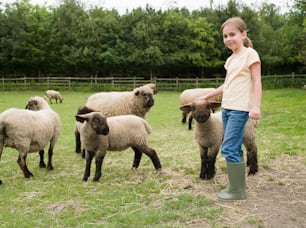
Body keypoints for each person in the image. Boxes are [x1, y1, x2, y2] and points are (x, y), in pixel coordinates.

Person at [196, 17, 262, 200]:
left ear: (243, 34)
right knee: (234, 147)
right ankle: (237, 186)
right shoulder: (231, 59)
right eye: (225, 36)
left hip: (240, 109)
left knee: (228, 147)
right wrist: (206, 96)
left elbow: (257, 80)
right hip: (226, 108)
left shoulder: (250, 54)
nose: (228, 39)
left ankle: (238, 190)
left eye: (232, 34)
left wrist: (256, 105)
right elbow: (227, 85)